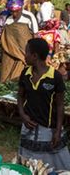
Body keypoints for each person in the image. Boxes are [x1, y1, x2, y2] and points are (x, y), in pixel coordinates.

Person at [17, 38, 70, 171]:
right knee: (29, 164)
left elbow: (59, 106)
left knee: (52, 164)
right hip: (29, 127)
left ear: (34, 56)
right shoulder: (25, 74)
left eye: (27, 52)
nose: (25, 55)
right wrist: (23, 115)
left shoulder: (55, 77)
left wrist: (58, 131)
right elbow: (20, 96)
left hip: (49, 129)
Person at [0, 0, 35, 82]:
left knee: (20, 81)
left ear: (22, 7)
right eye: (12, 11)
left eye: (17, 11)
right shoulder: (7, 18)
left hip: (24, 57)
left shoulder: (29, 17)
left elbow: (35, 37)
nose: (14, 13)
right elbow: (5, 38)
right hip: (9, 56)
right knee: (5, 80)